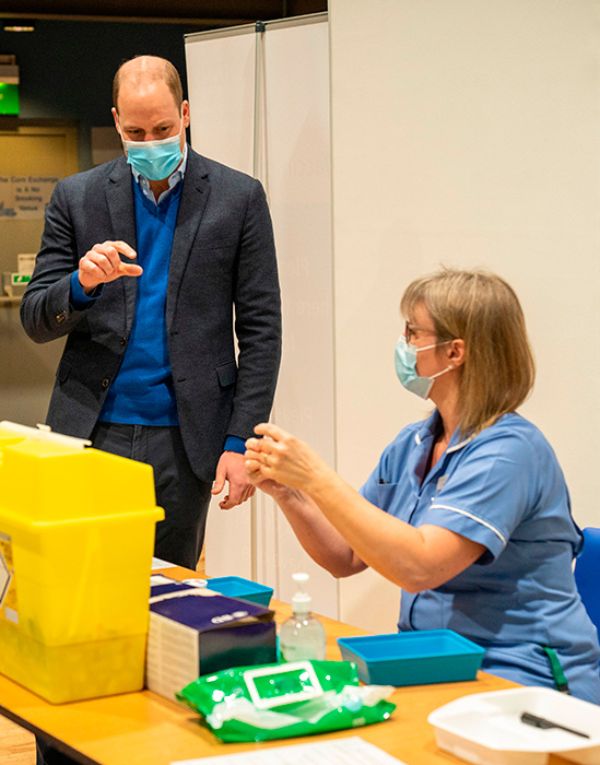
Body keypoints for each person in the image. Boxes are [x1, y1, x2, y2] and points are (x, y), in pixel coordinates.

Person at [245, 268, 600, 703]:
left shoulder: (510, 452)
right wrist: (291, 492)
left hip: (519, 673)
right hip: (436, 663)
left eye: (413, 332)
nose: (404, 345)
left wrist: (316, 477)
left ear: (455, 352)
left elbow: (420, 568)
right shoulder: (414, 442)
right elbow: (347, 554)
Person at [21, 55, 281, 569]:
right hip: (92, 432)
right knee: (85, 581)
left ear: (185, 113)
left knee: (171, 589)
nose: (150, 142)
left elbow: (261, 330)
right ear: (116, 121)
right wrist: (81, 284)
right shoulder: (78, 197)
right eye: (136, 131)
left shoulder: (238, 198)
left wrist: (240, 440)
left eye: (163, 128)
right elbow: (35, 316)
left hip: (188, 439)